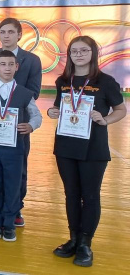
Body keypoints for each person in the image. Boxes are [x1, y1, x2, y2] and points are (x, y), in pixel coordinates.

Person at [47, 36, 126, 267]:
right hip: (66, 145)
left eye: (83, 50)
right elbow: (59, 106)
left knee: (90, 196)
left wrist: (105, 119)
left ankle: (85, 244)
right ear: (69, 55)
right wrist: (52, 111)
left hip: (93, 147)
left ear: (93, 53)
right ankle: (73, 239)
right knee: (71, 194)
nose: (79, 54)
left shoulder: (106, 81)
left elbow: (120, 109)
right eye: (74, 51)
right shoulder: (63, 81)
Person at [0, 18, 42, 226]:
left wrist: (12, 102)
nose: (6, 36)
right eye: (2, 32)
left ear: (19, 35)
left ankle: (15, 208)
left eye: (11, 32)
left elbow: (34, 91)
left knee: (18, 169)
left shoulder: (32, 60)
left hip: (19, 126)